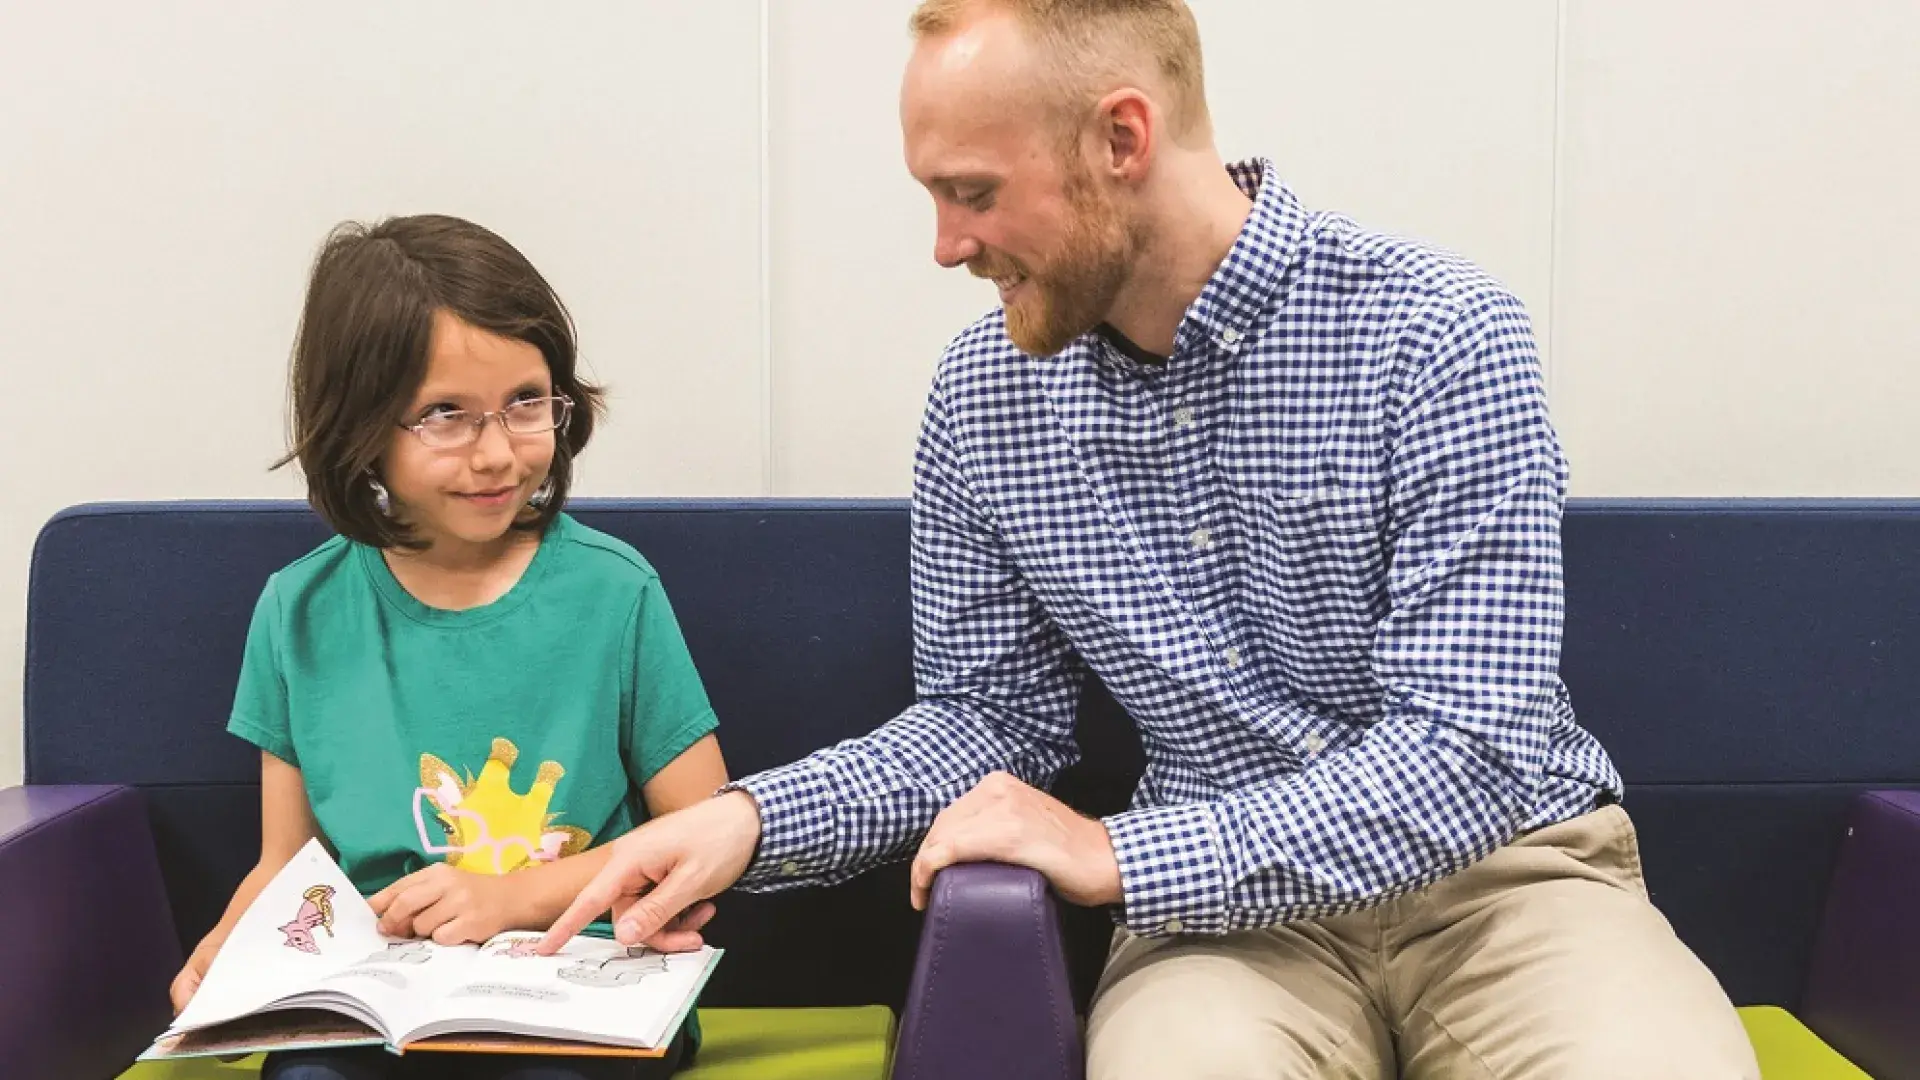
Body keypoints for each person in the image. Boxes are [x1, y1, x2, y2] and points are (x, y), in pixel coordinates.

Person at [544, 2, 1760, 1076]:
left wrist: (1113, 850)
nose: (946, 246)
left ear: (1121, 139)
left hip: (1511, 884)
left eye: (973, 191)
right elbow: (987, 721)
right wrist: (747, 824)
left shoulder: (1440, 335)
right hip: (1227, 939)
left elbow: (1468, 752)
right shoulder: (985, 395)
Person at [171, 215, 725, 1080]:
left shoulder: (615, 592)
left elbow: (703, 833)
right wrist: (225, 952)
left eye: (526, 403)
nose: (497, 452)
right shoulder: (298, 610)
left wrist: (507, 898)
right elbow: (288, 864)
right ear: (360, 430)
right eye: (445, 416)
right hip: (391, 997)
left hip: (582, 983)